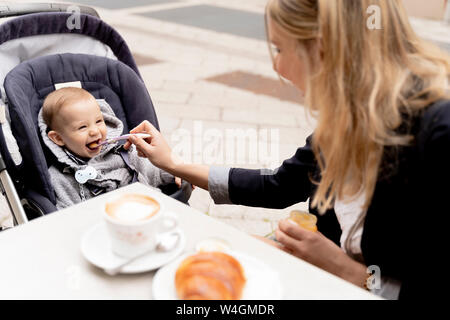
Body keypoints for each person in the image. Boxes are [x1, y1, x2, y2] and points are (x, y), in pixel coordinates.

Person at [125, 0, 450, 299]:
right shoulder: (346, 121)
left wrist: (352, 273)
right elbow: (277, 185)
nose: (276, 66)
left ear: (323, 48)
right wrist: (173, 162)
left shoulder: (436, 133)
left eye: (280, 48)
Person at [38, 87, 182, 209]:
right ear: (58, 138)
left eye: (99, 121)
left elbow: (154, 172)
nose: (95, 131)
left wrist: (173, 170)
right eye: (82, 127)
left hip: (150, 211)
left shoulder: (124, 154)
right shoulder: (60, 178)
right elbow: (68, 217)